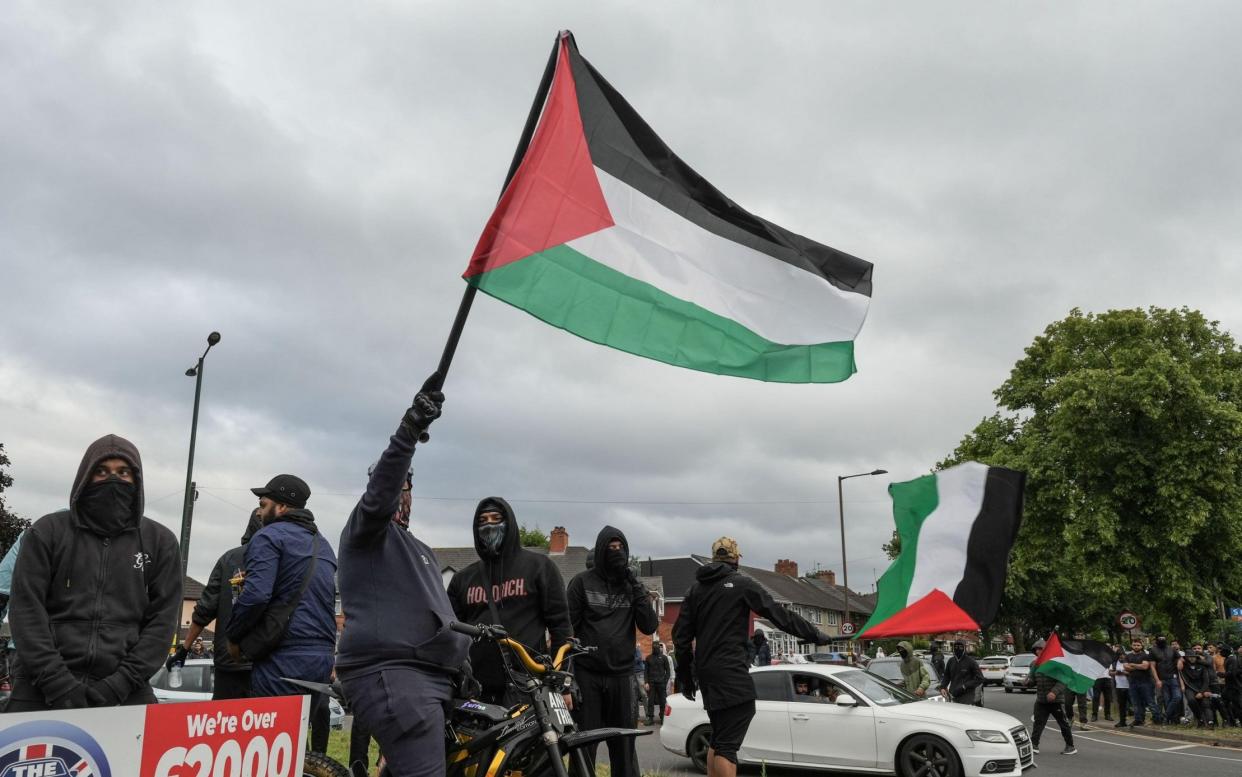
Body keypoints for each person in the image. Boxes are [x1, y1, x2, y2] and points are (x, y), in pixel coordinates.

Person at [334, 385, 470, 777]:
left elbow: (441, 615)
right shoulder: (367, 531)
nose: (402, 497)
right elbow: (380, 495)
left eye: (409, 489)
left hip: (432, 678)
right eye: (398, 488)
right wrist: (409, 429)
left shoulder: (421, 549)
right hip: (394, 675)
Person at [7, 435, 182, 710]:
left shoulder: (160, 542)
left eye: (123, 472)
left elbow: (163, 621)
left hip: (126, 691)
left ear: (137, 480)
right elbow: (26, 610)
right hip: (40, 687)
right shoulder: (48, 531)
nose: (113, 479)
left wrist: (122, 683)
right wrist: (57, 683)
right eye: (101, 471)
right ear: (85, 476)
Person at [673, 537, 830, 777]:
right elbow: (778, 614)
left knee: (719, 738)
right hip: (731, 671)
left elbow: (680, 638)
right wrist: (815, 634)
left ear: (714, 558)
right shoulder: (741, 584)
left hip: (708, 675)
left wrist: (685, 676)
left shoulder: (695, 591)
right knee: (729, 741)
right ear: (735, 559)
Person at [226, 474, 338, 732]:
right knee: (295, 742)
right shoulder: (323, 544)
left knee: (269, 742)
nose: (258, 513)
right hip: (321, 657)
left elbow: (255, 596)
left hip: (283, 655)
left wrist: (233, 638)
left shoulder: (269, 537)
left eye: (263, 505)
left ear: (282, 507)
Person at [447, 497, 571, 704]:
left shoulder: (539, 567)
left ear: (510, 523)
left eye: (496, 518)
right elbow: (451, 633)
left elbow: (561, 628)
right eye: (483, 521)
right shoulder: (463, 579)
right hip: (476, 689)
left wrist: (563, 684)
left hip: (529, 688)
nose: (489, 525)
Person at [566, 526, 659, 777]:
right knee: (585, 747)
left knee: (624, 749)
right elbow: (565, 632)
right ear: (600, 550)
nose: (616, 551)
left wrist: (636, 584)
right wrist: (567, 679)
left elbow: (649, 625)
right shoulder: (581, 583)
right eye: (611, 547)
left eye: (621, 547)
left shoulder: (632, 586)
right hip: (588, 677)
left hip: (622, 676)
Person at [174, 510, 263, 700]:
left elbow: (204, 610)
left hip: (229, 660)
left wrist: (184, 648)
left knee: (226, 723)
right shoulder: (285, 558)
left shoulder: (229, 559)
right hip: (266, 662)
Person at [1026, 640, 1076, 755]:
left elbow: (1063, 681)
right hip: (1041, 700)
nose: (1038, 651)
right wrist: (1028, 682)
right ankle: (1034, 745)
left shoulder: (1057, 664)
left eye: (1041, 649)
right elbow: (1033, 681)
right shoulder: (1034, 664)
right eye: (1036, 649)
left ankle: (1070, 746)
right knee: (1038, 723)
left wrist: (1054, 692)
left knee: (1063, 723)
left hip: (1056, 701)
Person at [1123, 637, 1158, 727]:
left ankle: (1157, 719)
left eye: (1138, 645)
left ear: (1142, 646)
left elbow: (1145, 667)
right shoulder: (1128, 656)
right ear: (1131, 645)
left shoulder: (1145, 655)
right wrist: (1138, 666)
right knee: (1136, 702)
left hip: (1146, 682)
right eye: (1134, 645)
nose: (1136, 646)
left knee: (1150, 701)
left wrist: (1133, 665)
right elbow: (1126, 667)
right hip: (1133, 682)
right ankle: (1139, 719)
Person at [939, 640, 983, 705]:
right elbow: (947, 676)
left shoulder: (971, 662)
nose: (958, 648)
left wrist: (965, 686)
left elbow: (980, 678)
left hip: (967, 695)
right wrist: (942, 687)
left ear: (964, 648)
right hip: (953, 694)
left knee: (964, 713)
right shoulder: (951, 661)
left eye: (960, 647)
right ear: (953, 648)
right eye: (956, 647)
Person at [1150, 635, 1180, 724]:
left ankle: (1166, 716)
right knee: (1166, 700)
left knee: (1177, 697)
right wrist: (1157, 680)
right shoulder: (1153, 650)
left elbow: (1179, 658)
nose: (1162, 640)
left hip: (1173, 677)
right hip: (1162, 679)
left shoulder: (1172, 649)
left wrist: (1180, 662)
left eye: (1163, 639)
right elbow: (1152, 666)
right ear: (1156, 640)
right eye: (1160, 639)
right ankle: (1169, 720)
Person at [1181, 649, 1214, 727]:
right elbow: (1187, 682)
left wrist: (1201, 692)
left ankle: (1210, 722)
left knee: (1206, 704)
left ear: (1196, 657)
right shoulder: (1183, 667)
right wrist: (1197, 692)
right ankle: (1200, 719)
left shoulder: (1202, 666)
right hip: (1190, 688)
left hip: (1203, 688)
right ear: (1186, 658)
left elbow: (1206, 681)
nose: (1192, 658)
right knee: (1191, 700)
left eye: (1193, 657)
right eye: (1189, 657)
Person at [645, 641, 673, 724]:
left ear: (659, 648)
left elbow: (668, 671)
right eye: (654, 648)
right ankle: (650, 718)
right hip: (651, 683)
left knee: (662, 701)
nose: (656, 649)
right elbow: (646, 671)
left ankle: (662, 717)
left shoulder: (664, 658)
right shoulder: (648, 658)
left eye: (657, 647)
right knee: (650, 701)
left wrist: (665, 681)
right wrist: (646, 682)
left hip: (661, 683)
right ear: (652, 648)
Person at [1110, 644, 1131, 728]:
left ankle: (1138, 720)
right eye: (1120, 655)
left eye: (1123, 655)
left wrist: (1124, 673)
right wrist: (1116, 673)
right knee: (1121, 705)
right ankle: (1122, 721)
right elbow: (1110, 673)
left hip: (1129, 686)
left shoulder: (1129, 661)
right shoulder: (1114, 663)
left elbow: (1131, 672)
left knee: (1134, 704)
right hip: (1119, 686)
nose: (1122, 657)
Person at [633, 645, 649, 724]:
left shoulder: (636, 649)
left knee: (643, 694)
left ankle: (648, 715)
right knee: (634, 695)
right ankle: (637, 716)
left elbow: (639, 658)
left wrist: (629, 661)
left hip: (639, 673)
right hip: (632, 674)